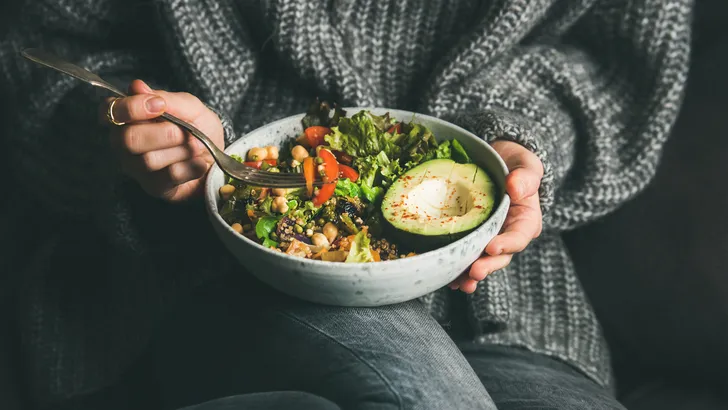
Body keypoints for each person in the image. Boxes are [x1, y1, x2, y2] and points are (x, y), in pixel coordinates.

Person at [0, 0, 692, 409]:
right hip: (196, 275)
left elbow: (614, 59)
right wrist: (139, 138)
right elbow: (43, 53)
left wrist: (519, 144)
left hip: (510, 304)